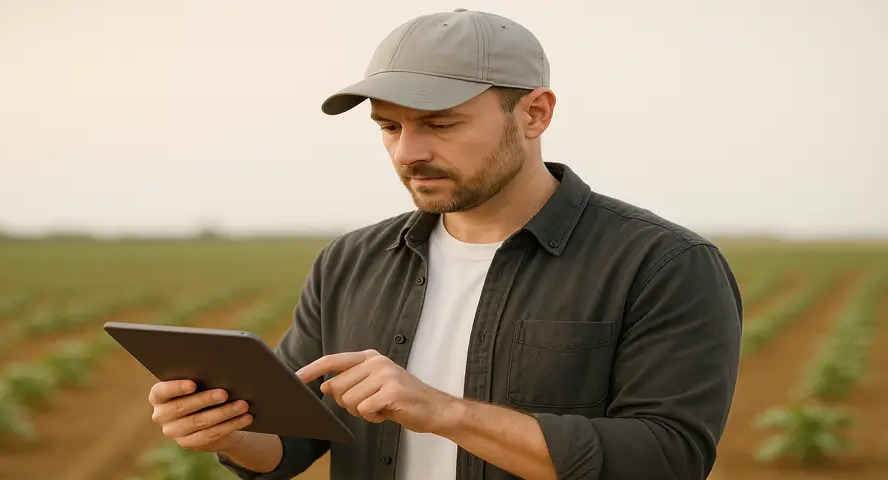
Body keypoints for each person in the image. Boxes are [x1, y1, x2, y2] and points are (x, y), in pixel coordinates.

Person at [146, 8, 743, 480]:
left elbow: (667, 458)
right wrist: (227, 432)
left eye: (440, 123)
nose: (408, 152)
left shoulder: (663, 266)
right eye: (389, 126)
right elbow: (294, 441)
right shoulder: (349, 263)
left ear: (534, 114)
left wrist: (445, 412)